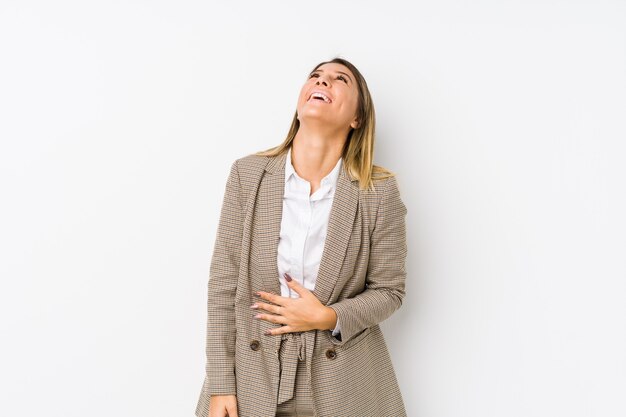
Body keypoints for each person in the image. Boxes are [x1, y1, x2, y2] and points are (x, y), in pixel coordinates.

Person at [195, 57, 408, 417]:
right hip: (252, 379)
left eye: (340, 79)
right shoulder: (248, 175)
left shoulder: (378, 192)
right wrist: (220, 384)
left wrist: (327, 316)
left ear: (357, 118)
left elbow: (389, 291)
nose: (322, 82)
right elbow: (223, 286)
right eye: (316, 76)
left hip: (342, 384)